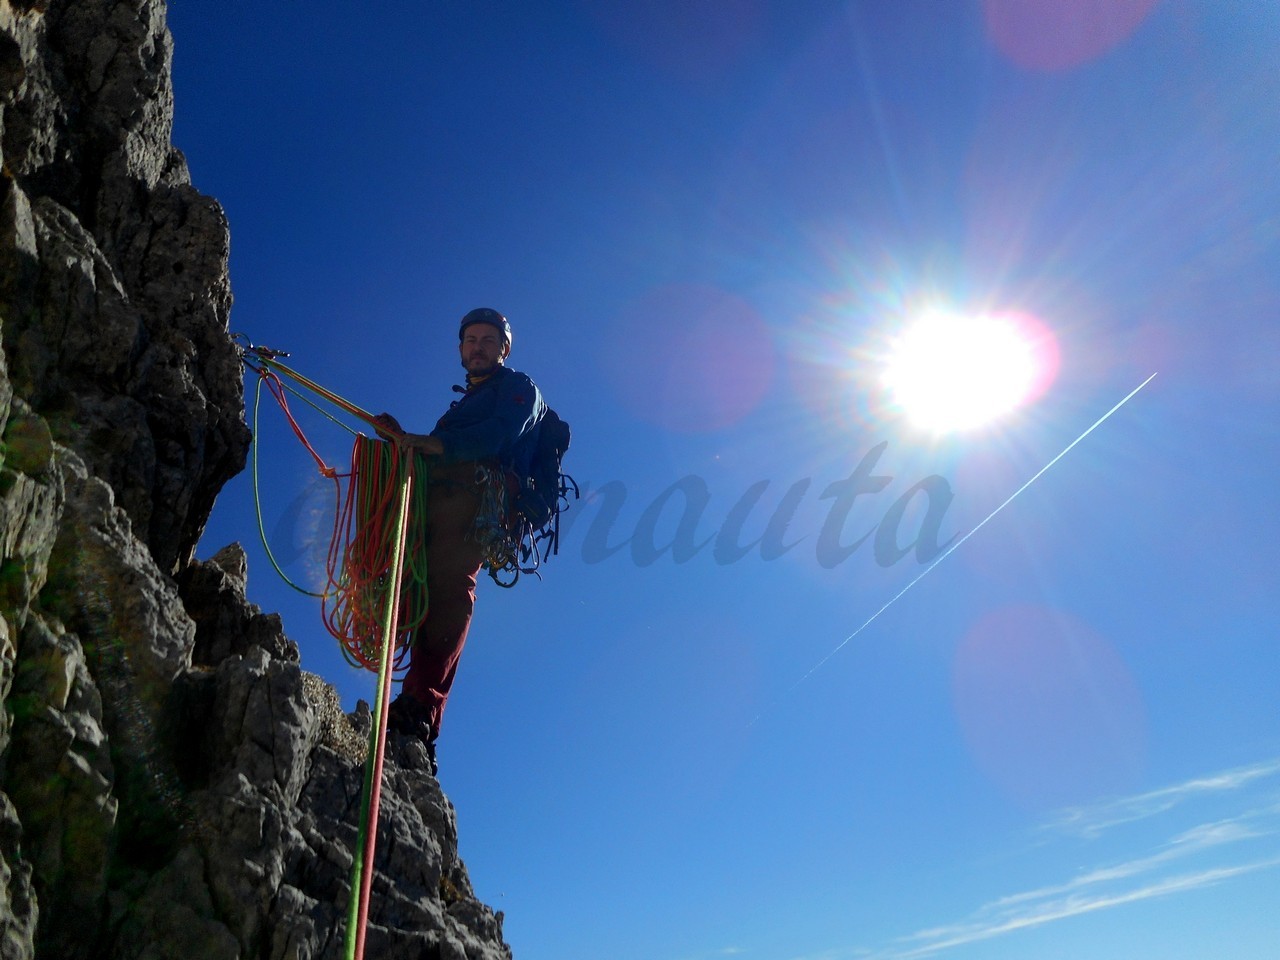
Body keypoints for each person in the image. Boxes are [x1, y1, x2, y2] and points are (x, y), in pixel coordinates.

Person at [373, 308, 545, 772]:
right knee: (419, 588)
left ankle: (420, 710)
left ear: (503, 349)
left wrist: (439, 445)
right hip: (439, 500)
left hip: (476, 502)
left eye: (488, 340)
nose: (478, 347)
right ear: (461, 349)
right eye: (471, 340)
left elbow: (502, 432)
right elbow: (435, 453)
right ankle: (411, 700)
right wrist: (401, 441)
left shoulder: (519, 388)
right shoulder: (460, 409)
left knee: (448, 589)